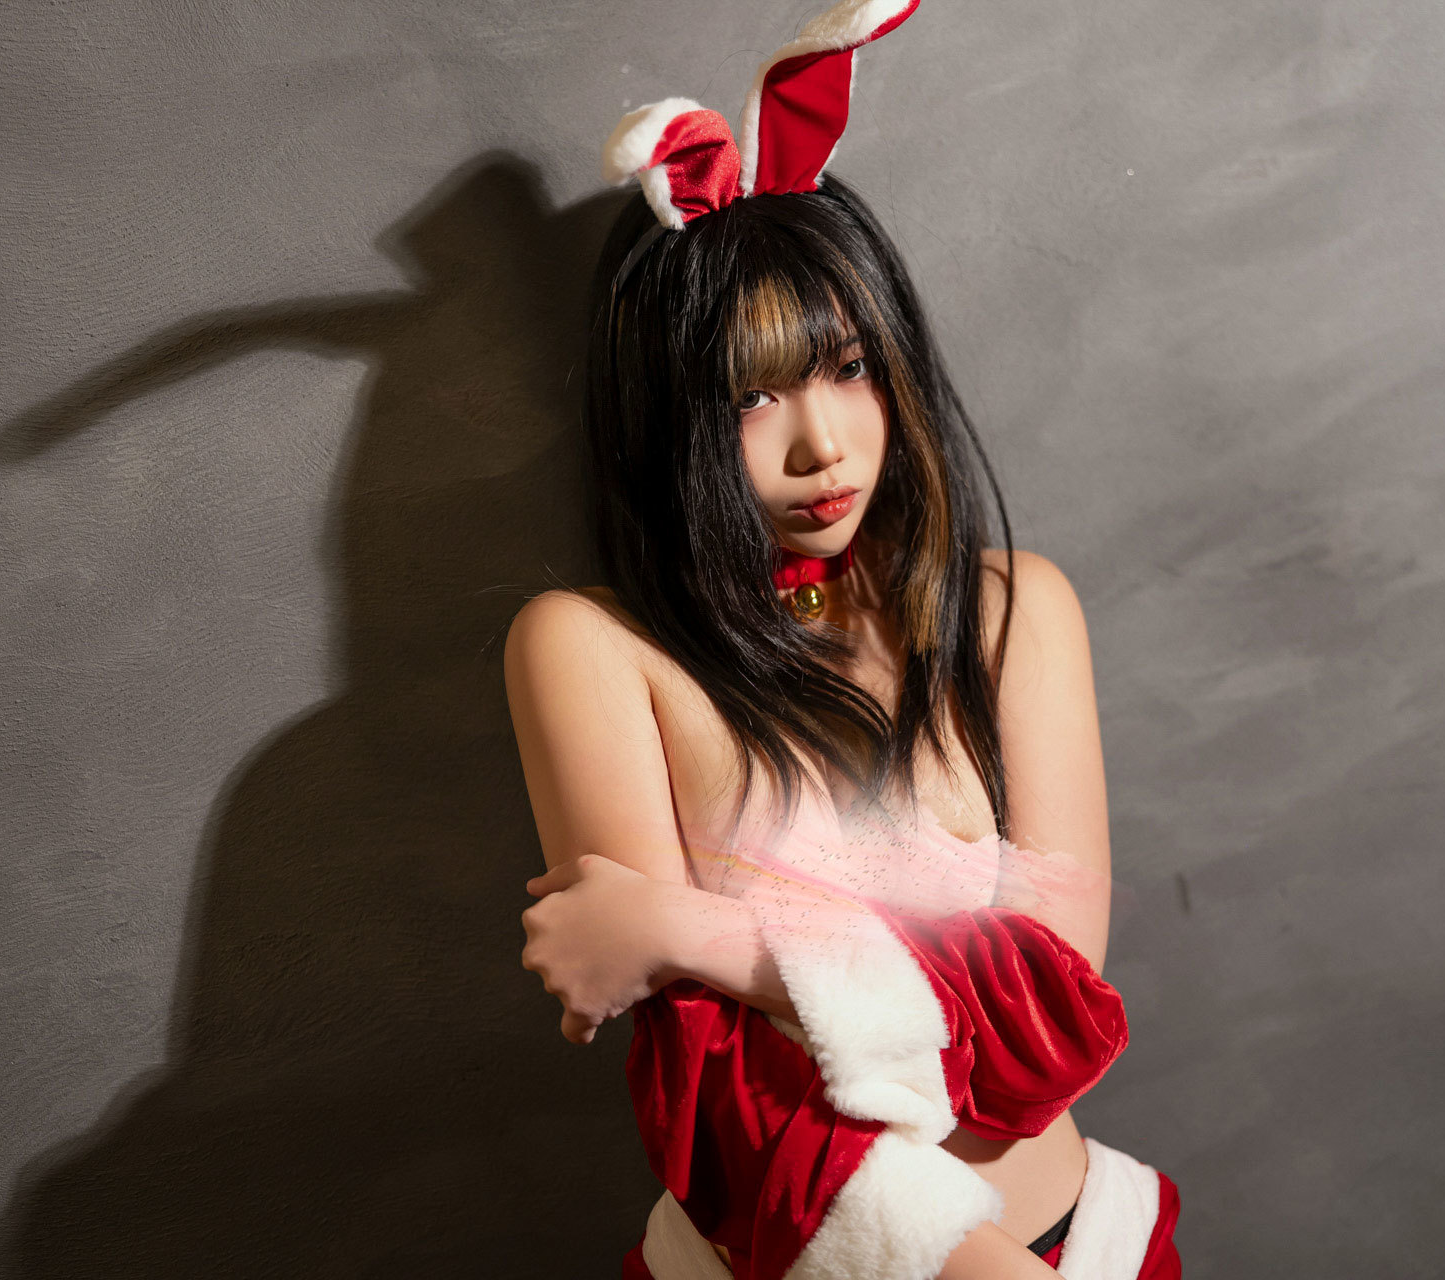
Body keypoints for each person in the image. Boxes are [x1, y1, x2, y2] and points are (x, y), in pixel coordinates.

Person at [505, 3, 1181, 1275]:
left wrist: (690, 929)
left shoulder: (1012, 610)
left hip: (1084, 1242)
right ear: (671, 416)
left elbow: (1046, 1014)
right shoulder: (594, 649)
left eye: (852, 366)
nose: (822, 444)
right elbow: (715, 1082)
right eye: (753, 393)